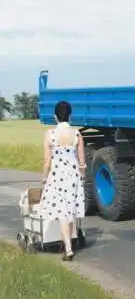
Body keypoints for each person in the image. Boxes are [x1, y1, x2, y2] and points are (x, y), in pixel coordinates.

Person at [39, 101, 86, 261]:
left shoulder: (50, 134)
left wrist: (44, 177)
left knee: (62, 212)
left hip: (57, 175)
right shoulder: (77, 134)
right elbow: (82, 161)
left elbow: (47, 160)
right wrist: (83, 175)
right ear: (70, 116)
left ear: (55, 117)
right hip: (73, 175)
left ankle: (67, 247)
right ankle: (67, 244)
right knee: (69, 211)